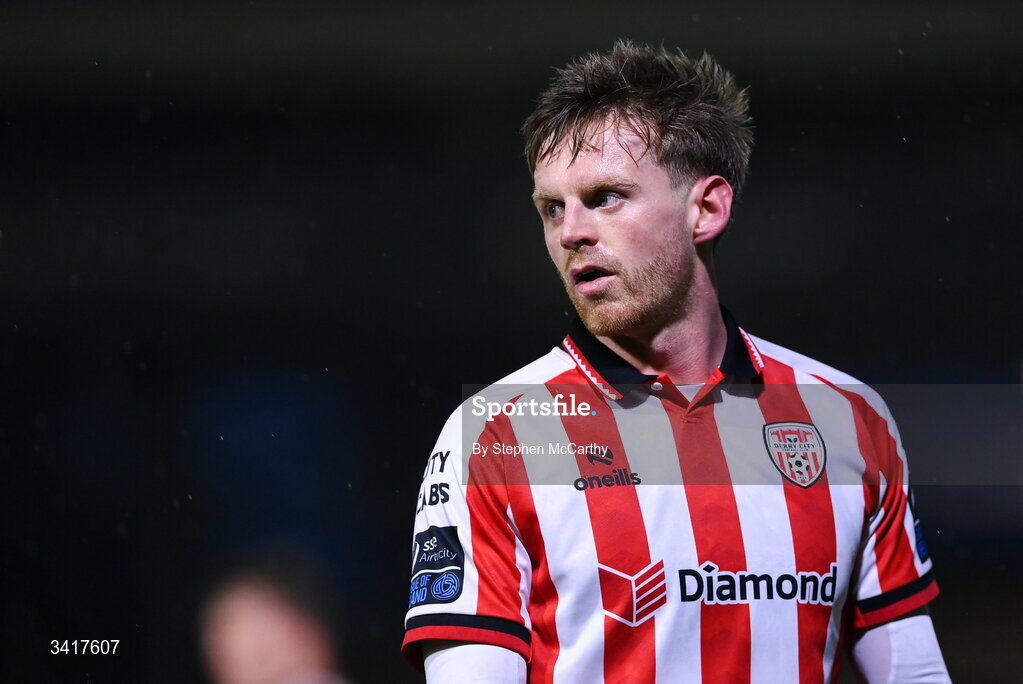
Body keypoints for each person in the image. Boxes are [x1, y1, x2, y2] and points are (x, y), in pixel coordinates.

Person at [402, 41, 949, 683]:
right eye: (552, 207)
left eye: (605, 197)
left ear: (707, 210)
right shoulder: (494, 434)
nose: (571, 230)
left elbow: (913, 674)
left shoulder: (847, 417)